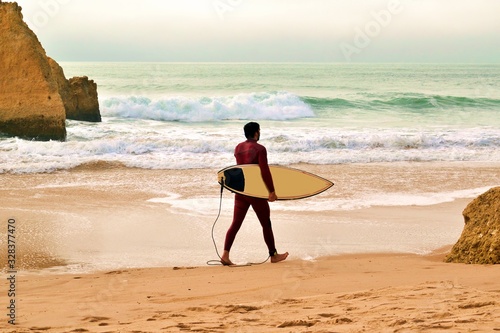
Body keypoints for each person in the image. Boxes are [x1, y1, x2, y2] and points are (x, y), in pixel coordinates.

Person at [221, 122, 289, 265]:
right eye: (259, 130)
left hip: (241, 191)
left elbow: (242, 169)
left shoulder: (238, 148)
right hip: (254, 192)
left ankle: (225, 255)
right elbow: (264, 171)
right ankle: (273, 255)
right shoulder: (260, 149)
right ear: (256, 132)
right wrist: (271, 191)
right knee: (266, 224)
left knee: (235, 224)